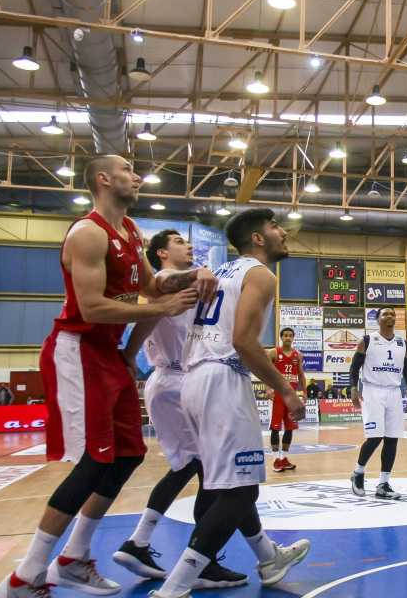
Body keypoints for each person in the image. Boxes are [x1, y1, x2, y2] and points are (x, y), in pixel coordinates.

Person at [0, 155, 210, 598]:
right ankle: (24, 577)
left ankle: (73, 558)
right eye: (130, 169)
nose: (138, 176)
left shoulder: (130, 232)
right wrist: (162, 309)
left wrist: (194, 275)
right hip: (77, 350)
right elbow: (91, 307)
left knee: (128, 455)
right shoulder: (88, 233)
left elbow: (152, 287)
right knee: (95, 460)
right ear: (104, 179)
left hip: (109, 354)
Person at [150, 209, 311, 598]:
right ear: (257, 238)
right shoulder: (260, 274)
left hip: (194, 379)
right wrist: (286, 390)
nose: (283, 233)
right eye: (275, 227)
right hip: (222, 377)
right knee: (241, 491)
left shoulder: (222, 272)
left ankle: (268, 557)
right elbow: (243, 342)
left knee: (225, 485)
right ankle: (176, 586)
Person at [113, 229, 246, 588]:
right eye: (179, 242)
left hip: (166, 382)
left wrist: (129, 354)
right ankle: (201, 563)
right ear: (161, 253)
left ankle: (139, 541)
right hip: (177, 380)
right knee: (217, 473)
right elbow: (160, 297)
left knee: (190, 466)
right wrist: (201, 272)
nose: (188, 246)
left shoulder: (163, 286)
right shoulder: (165, 280)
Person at [349, 307, 407, 500]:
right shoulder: (368, 340)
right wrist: (353, 388)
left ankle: (383, 484)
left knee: (392, 438)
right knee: (375, 437)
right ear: (377, 320)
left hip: (394, 392)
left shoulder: (403, 344)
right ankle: (358, 473)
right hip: (372, 391)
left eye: (392, 315)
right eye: (385, 314)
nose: (390, 317)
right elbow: (354, 367)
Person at [269, 328, 305, 472]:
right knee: (275, 428)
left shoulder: (298, 355)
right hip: (278, 395)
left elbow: (301, 374)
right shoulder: (273, 352)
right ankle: (275, 460)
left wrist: (305, 392)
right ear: (281, 337)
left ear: (293, 338)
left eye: (290, 336)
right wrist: (267, 389)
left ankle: (284, 458)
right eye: (285, 336)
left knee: (290, 427)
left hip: (292, 397)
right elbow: (266, 371)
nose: (288, 338)